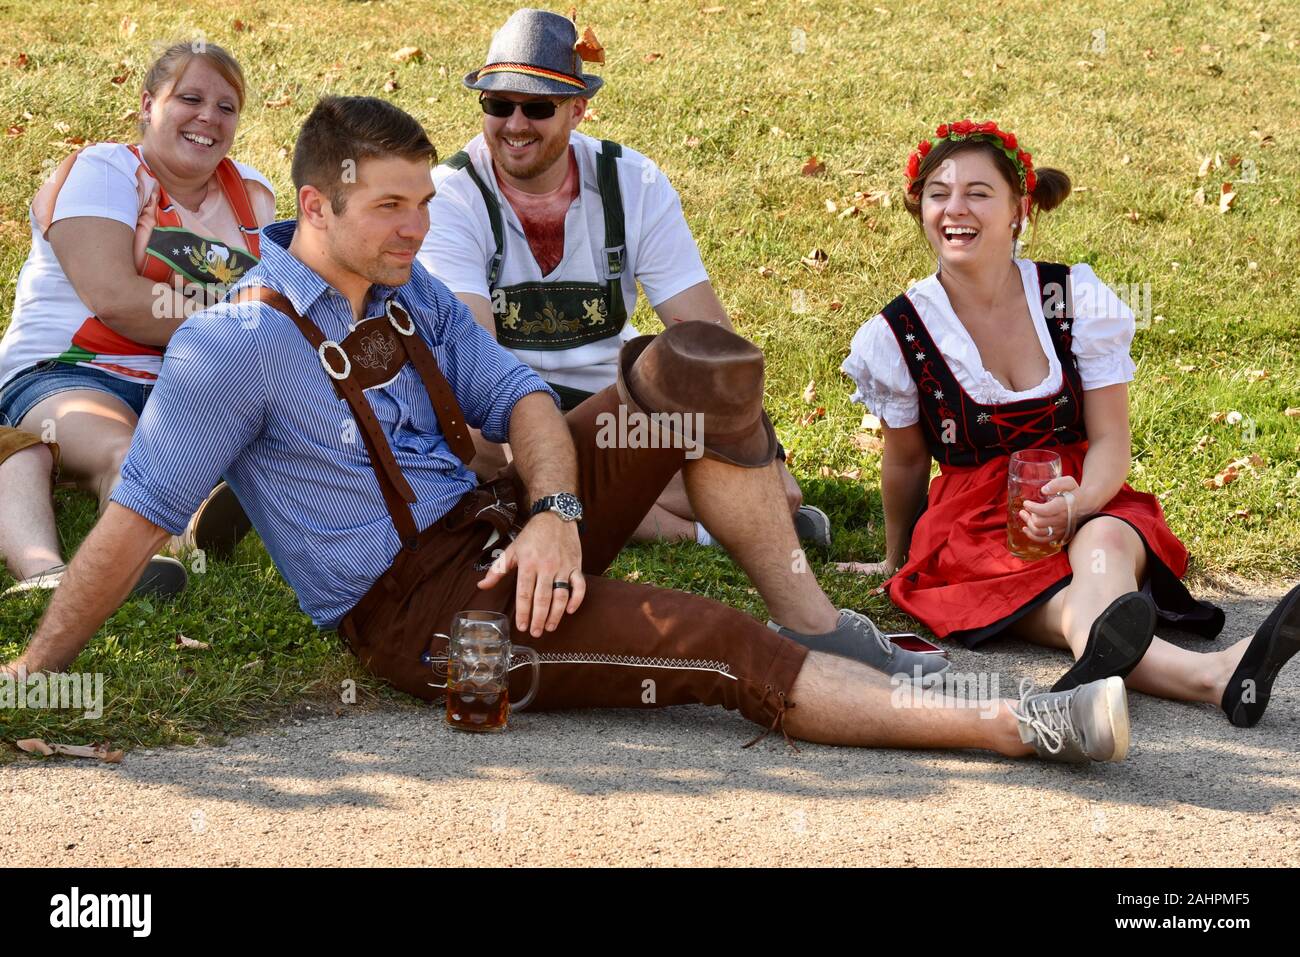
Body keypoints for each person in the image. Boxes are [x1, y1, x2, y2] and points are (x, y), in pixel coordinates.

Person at [1, 96, 1130, 766]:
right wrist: (36, 674)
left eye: (426, 204)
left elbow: (526, 403)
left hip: (502, 528)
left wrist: (553, 512)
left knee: (689, 373)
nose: (421, 225)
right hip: (429, 616)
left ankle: (818, 620)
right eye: (394, 207)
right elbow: (134, 526)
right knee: (715, 651)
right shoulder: (231, 348)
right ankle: (1026, 725)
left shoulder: (409, 290)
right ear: (320, 205)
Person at [839, 118, 1298, 726]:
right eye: (938, 192)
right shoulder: (898, 334)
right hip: (976, 523)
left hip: (1088, 487)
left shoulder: (1072, 296)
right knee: (1063, 601)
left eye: (979, 192)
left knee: (1105, 543)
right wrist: (897, 559)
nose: (956, 208)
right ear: (918, 206)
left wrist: (1080, 503)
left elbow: (1110, 438)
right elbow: (904, 460)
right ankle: (1214, 674)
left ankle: (1126, 668)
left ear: (1018, 210)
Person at [417, 8, 830, 549]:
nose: (515, 125)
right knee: (480, 449)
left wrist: (760, 451)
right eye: (498, 104)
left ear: (578, 109)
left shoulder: (632, 181)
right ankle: (706, 531)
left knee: (773, 490)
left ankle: (578, 506)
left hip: (617, 408)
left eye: (538, 107)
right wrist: (545, 449)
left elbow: (702, 330)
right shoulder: (449, 193)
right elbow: (474, 360)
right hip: (506, 415)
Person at [0, 41, 275, 597]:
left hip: (187, 376)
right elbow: (116, 298)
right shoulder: (104, 170)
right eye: (190, 98)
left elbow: (276, 307)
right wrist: (242, 320)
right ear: (147, 105)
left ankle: (187, 532)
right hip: (75, 371)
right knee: (127, 453)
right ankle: (118, 567)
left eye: (227, 107)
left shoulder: (250, 193)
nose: (209, 117)